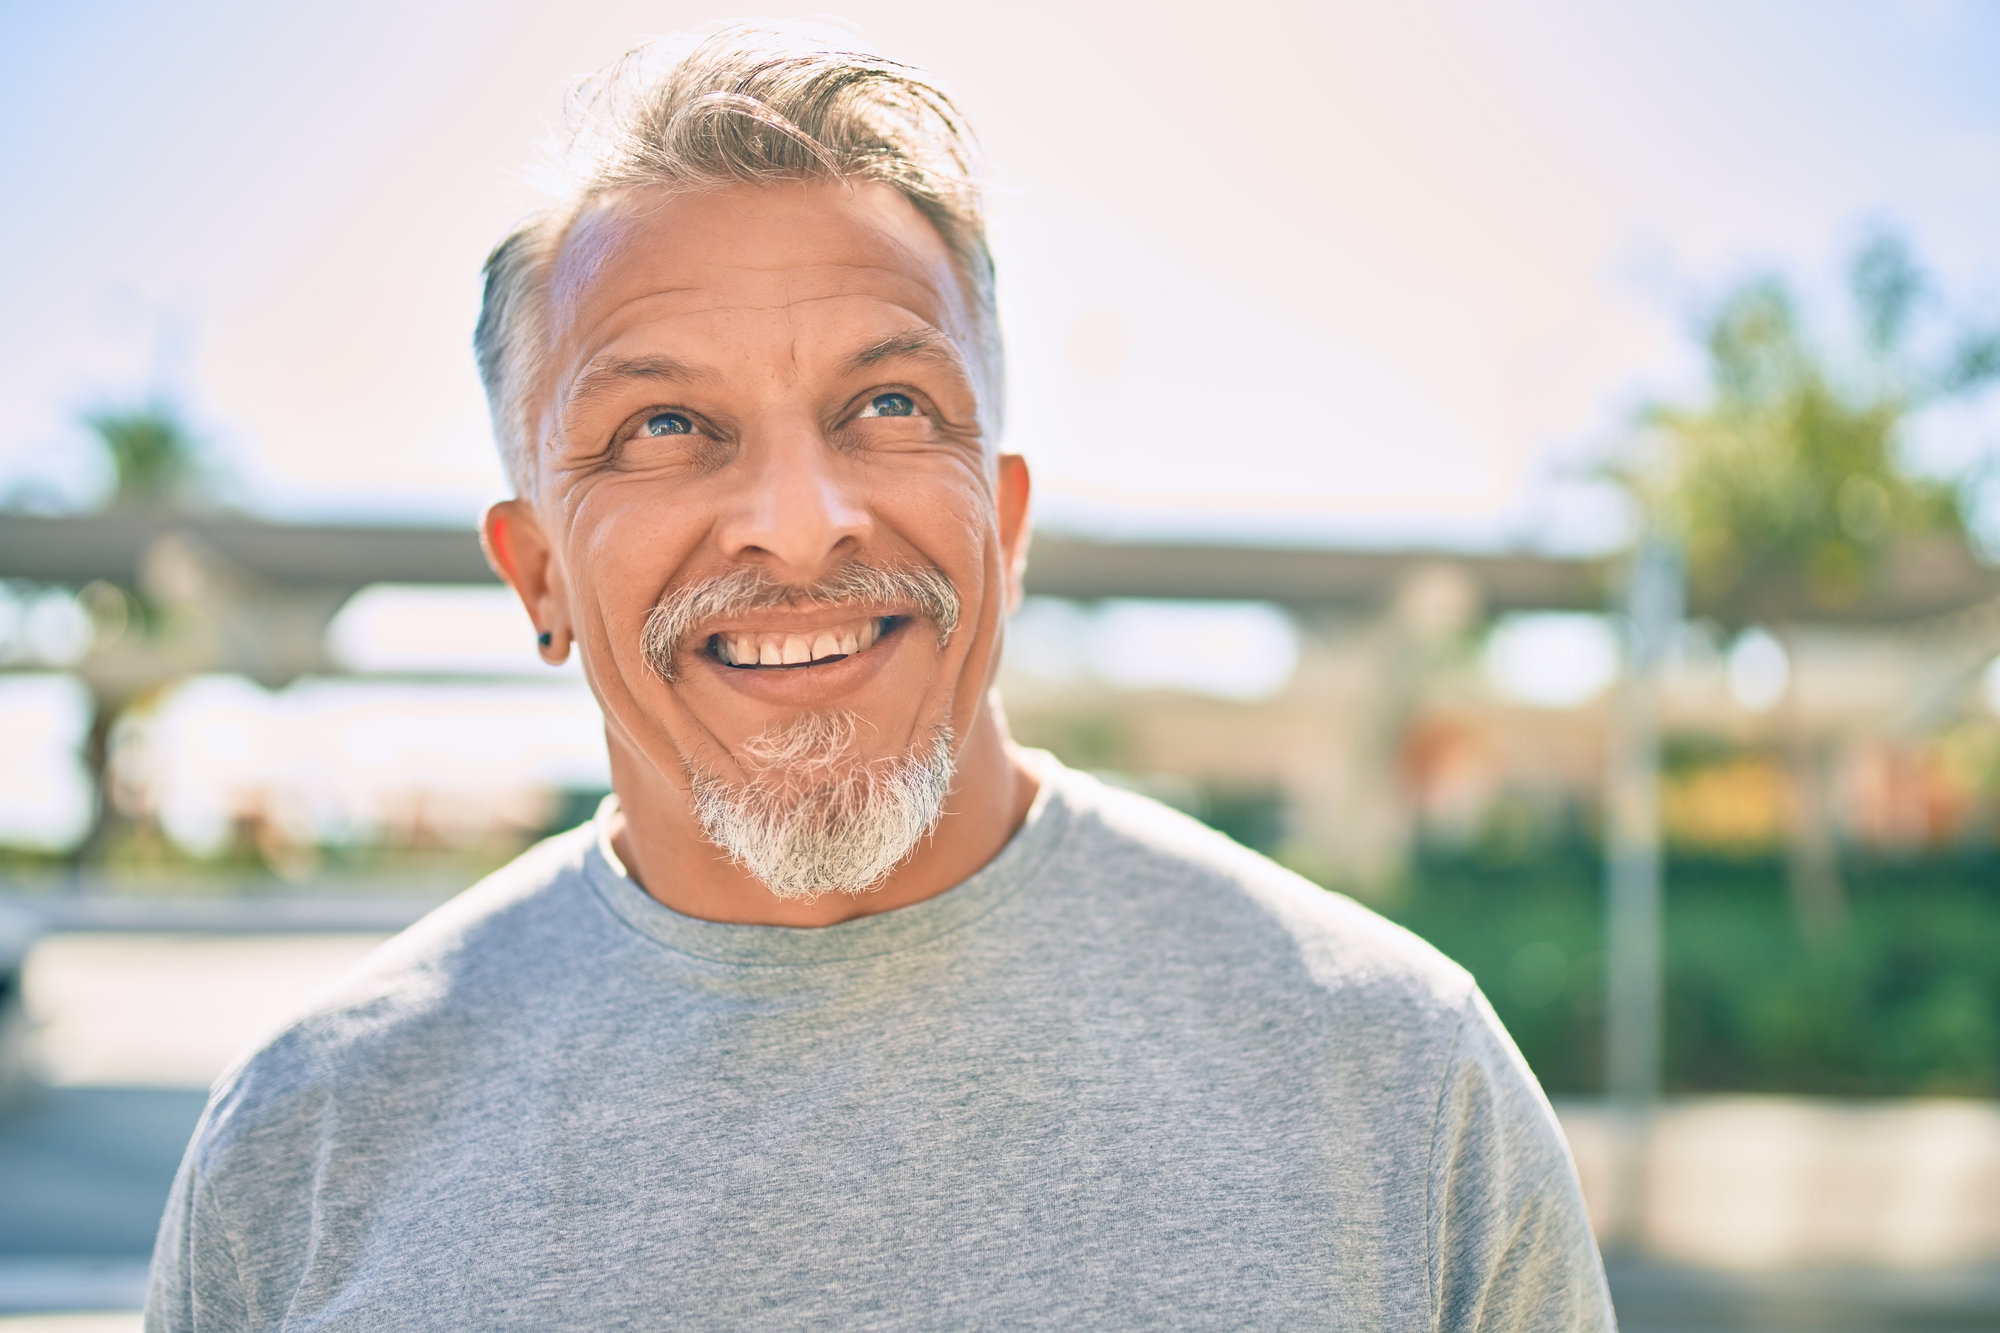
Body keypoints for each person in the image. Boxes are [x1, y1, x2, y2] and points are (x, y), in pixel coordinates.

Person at [147, 23, 1615, 1331]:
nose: (799, 519)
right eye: (663, 425)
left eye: (892, 404)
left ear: (1008, 523)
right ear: (536, 575)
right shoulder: (306, 1141)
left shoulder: (1402, 1084)